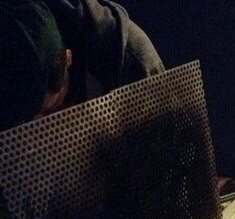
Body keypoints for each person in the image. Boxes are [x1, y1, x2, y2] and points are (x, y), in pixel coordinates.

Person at [0, 0, 165, 219]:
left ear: (68, 59)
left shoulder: (128, 61)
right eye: (19, 124)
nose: (34, 133)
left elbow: (163, 191)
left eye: (47, 113)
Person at [0, 0, 165, 131]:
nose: (39, 123)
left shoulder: (133, 65)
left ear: (68, 58)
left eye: (49, 111)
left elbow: (161, 146)